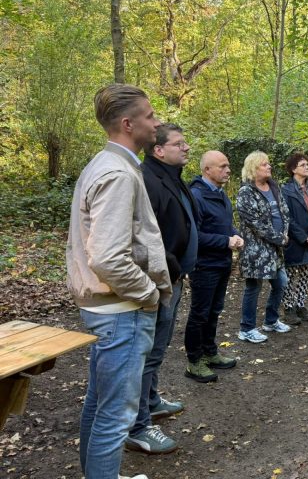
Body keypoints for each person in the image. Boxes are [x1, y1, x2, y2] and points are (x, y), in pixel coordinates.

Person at [66, 83, 170, 479]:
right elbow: (108, 256)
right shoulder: (118, 173)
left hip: (108, 308)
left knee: (98, 403)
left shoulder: (106, 165)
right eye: (149, 116)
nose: (155, 122)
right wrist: (148, 294)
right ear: (128, 124)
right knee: (116, 414)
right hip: (122, 310)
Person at [125, 123, 196, 455]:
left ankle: (151, 401)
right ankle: (138, 426)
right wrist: (172, 266)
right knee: (148, 354)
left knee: (158, 349)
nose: (186, 149)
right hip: (159, 279)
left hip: (174, 277)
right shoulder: (147, 180)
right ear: (159, 150)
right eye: (179, 144)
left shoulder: (171, 177)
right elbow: (145, 235)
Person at [184, 150, 243, 383]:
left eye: (228, 166)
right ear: (207, 170)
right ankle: (194, 361)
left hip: (222, 262)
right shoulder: (196, 196)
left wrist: (236, 235)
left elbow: (226, 225)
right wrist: (226, 241)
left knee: (214, 311)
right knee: (200, 314)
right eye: (222, 166)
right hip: (204, 265)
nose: (228, 170)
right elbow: (194, 235)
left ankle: (209, 352)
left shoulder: (220, 194)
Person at [237, 151, 293, 342]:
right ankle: (247, 328)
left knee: (281, 283)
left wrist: (285, 232)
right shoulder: (246, 192)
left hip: (275, 249)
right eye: (264, 164)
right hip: (256, 251)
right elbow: (257, 224)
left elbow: (284, 211)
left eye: (268, 164)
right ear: (253, 168)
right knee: (253, 288)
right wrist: (280, 238)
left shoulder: (273, 187)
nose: (269, 167)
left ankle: (271, 320)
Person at [280, 153, 308, 325]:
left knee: (305, 275)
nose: (307, 167)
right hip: (295, 241)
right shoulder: (286, 190)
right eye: (303, 165)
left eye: (307, 164)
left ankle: (300, 305)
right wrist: (304, 237)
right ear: (293, 170)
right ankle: (289, 308)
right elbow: (287, 218)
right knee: (291, 276)